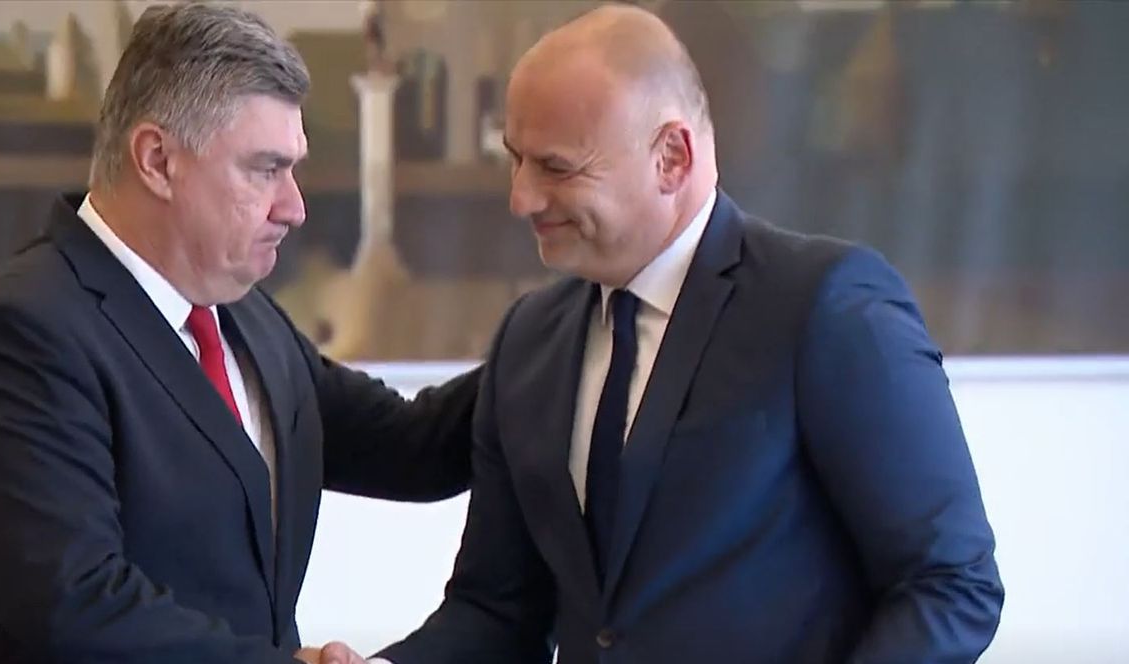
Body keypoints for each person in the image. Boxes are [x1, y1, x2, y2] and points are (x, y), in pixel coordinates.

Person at [372, 5, 1003, 664]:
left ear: (671, 157)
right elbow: (497, 611)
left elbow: (951, 585)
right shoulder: (529, 342)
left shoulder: (825, 307)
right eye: (515, 160)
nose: (521, 198)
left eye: (556, 168)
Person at [0, 5, 475, 663]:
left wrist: (561, 325)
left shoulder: (246, 316)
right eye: (265, 169)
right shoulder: (19, 334)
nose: (293, 207)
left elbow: (412, 446)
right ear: (157, 160)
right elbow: (78, 605)